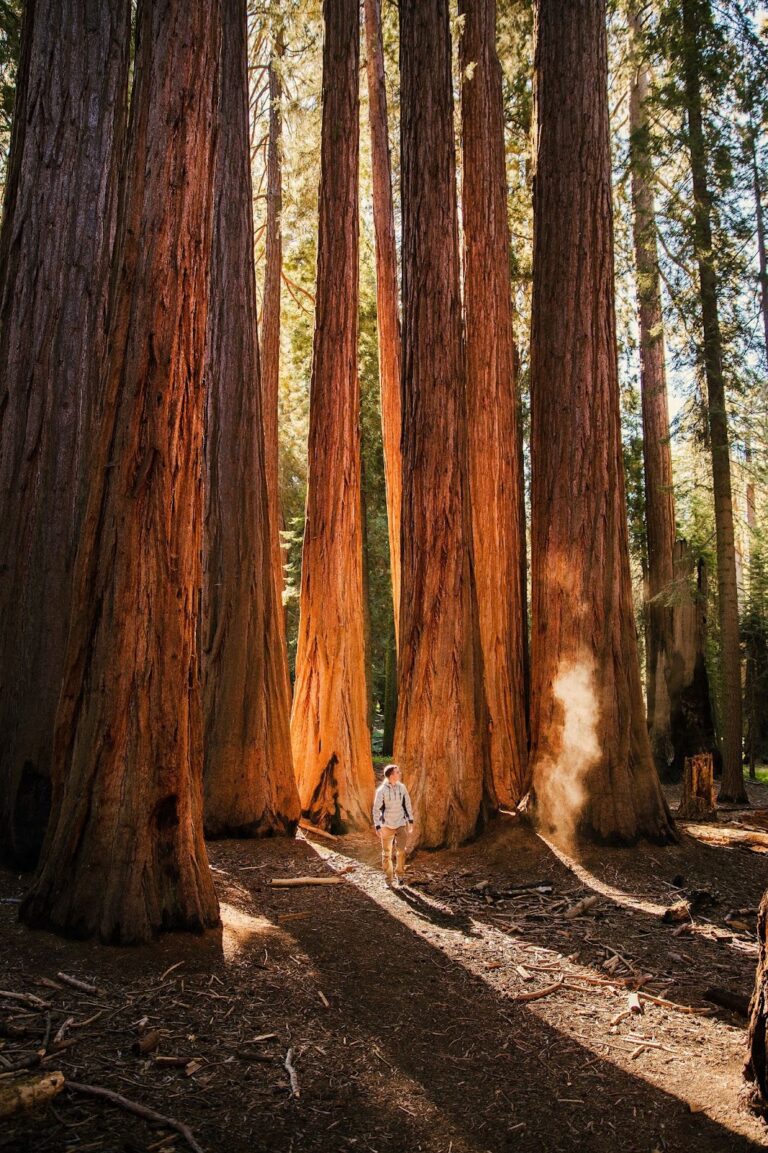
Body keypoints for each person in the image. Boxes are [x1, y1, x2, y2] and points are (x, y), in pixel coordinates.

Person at [372, 764, 414, 887]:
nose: (399, 773)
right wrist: (377, 826)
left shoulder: (402, 788)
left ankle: (400, 875)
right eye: (397, 772)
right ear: (391, 775)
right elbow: (376, 809)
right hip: (386, 825)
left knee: (401, 851)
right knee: (386, 854)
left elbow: (407, 804)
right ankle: (388, 879)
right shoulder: (381, 791)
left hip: (401, 823)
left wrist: (410, 821)